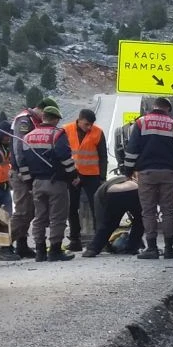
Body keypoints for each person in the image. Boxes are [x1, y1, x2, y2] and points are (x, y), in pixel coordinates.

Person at [123, 96, 173, 259]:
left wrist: (128, 171)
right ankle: (169, 249)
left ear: (154, 107)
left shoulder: (141, 123)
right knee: (168, 211)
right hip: (168, 173)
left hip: (147, 173)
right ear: (168, 109)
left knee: (148, 211)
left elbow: (132, 150)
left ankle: (151, 248)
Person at [20, 105, 76, 262]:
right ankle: (55, 250)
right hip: (56, 182)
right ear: (56, 119)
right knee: (57, 217)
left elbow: (22, 162)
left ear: (43, 117)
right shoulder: (57, 135)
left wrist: (29, 182)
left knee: (39, 217)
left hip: (37, 183)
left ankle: (40, 252)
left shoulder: (27, 137)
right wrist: (73, 176)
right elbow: (65, 158)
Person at [0, 109, 39, 260]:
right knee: (22, 213)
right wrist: (25, 174)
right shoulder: (25, 121)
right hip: (18, 176)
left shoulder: (32, 121)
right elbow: (20, 151)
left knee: (29, 212)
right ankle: (4, 246)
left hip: (18, 176)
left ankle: (22, 245)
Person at [63, 108, 108, 252]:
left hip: (92, 175)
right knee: (71, 208)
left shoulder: (98, 132)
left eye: (91, 125)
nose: (89, 127)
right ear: (79, 119)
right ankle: (75, 239)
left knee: (97, 208)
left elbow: (103, 156)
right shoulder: (66, 130)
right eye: (86, 124)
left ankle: (99, 240)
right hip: (72, 175)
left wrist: (102, 178)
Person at [82, 174, 144, 258]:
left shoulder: (98, 195)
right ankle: (132, 248)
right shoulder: (127, 178)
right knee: (140, 220)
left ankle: (92, 249)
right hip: (133, 189)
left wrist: (104, 243)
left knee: (109, 224)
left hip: (113, 193)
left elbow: (100, 219)